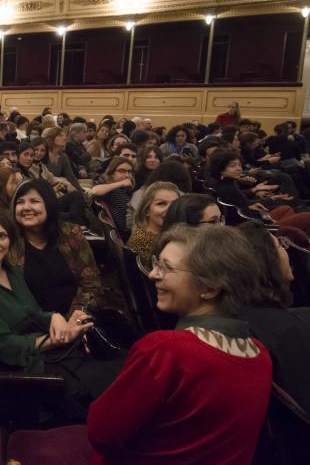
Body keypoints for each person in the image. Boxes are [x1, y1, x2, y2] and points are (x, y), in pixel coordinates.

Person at [88, 225, 272, 464]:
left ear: (209, 288)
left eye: (166, 267)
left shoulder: (167, 350)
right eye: (156, 263)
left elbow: (101, 433)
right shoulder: (260, 354)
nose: (153, 274)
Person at [0, 207, 122, 411]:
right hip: (29, 371)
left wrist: (56, 319)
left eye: (2, 236)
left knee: (122, 367)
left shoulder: (9, 269)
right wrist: (56, 339)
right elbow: (4, 347)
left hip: (45, 352)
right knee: (115, 388)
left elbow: (33, 312)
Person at [238, 221, 310, 411]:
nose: (286, 251)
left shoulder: (238, 314)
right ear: (266, 262)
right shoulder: (288, 332)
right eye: (279, 245)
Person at [13, 179, 103, 314]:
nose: (26, 207)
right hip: (32, 325)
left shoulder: (70, 234)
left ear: (49, 205)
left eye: (34, 201)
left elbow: (91, 284)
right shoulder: (10, 241)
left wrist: (75, 320)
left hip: (76, 319)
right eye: (20, 202)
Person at [209, 149, 310, 233]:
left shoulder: (227, 182)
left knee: (286, 208)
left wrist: (271, 198)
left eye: (239, 165)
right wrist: (269, 220)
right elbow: (245, 213)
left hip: (254, 220)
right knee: (306, 216)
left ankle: (285, 233)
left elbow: (243, 203)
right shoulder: (227, 188)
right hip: (255, 228)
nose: (239, 168)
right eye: (233, 166)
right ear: (220, 169)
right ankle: (282, 234)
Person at [126, 182, 181, 264]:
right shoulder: (144, 242)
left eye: (175, 204)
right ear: (146, 210)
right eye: (161, 203)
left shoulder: (162, 236)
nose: (170, 209)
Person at [89, 156, 135, 239]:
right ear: (112, 173)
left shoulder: (126, 190)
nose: (127, 175)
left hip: (135, 230)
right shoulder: (111, 189)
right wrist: (121, 183)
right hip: (127, 235)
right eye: (122, 171)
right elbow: (95, 191)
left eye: (129, 171)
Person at [43, 127, 82, 192]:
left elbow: (70, 176)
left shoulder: (63, 156)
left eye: (65, 136)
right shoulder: (44, 153)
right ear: (52, 138)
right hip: (46, 187)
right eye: (60, 135)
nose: (65, 138)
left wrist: (80, 190)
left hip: (58, 186)